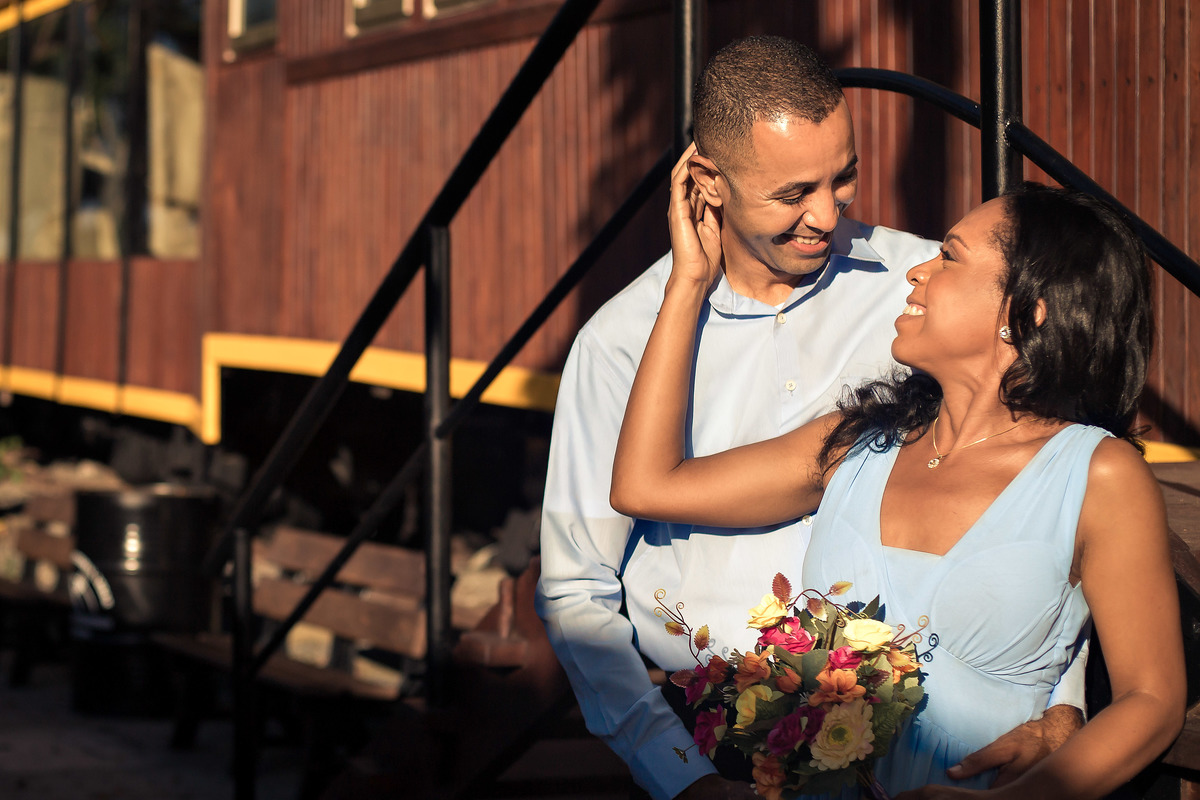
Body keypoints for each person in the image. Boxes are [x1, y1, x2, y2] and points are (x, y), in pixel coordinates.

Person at [536, 35, 1085, 800]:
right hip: (720, 749)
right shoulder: (620, 346)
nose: (827, 214)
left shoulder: (926, 287)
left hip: (944, 741)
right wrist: (681, 780)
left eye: (845, 177)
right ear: (708, 181)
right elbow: (576, 592)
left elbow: (1037, 485)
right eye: (793, 193)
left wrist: (1059, 706)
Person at [609, 161, 1186, 797]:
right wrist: (688, 283)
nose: (918, 272)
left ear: (1028, 312)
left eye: (949, 257)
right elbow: (646, 485)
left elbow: (1152, 699)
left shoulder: (1098, 474)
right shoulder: (858, 443)